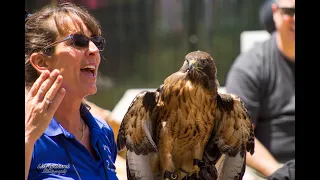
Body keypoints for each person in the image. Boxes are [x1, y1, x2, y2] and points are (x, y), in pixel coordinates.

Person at [25, 2, 119, 180]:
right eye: (79, 42)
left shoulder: (102, 131)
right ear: (41, 62)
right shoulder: (28, 130)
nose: (93, 50)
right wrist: (28, 137)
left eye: (96, 42)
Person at [224, 0, 295, 179]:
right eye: (290, 11)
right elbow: (236, 135)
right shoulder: (250, 66)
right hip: (269, 169)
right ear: (275, 13)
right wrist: (279, 172)